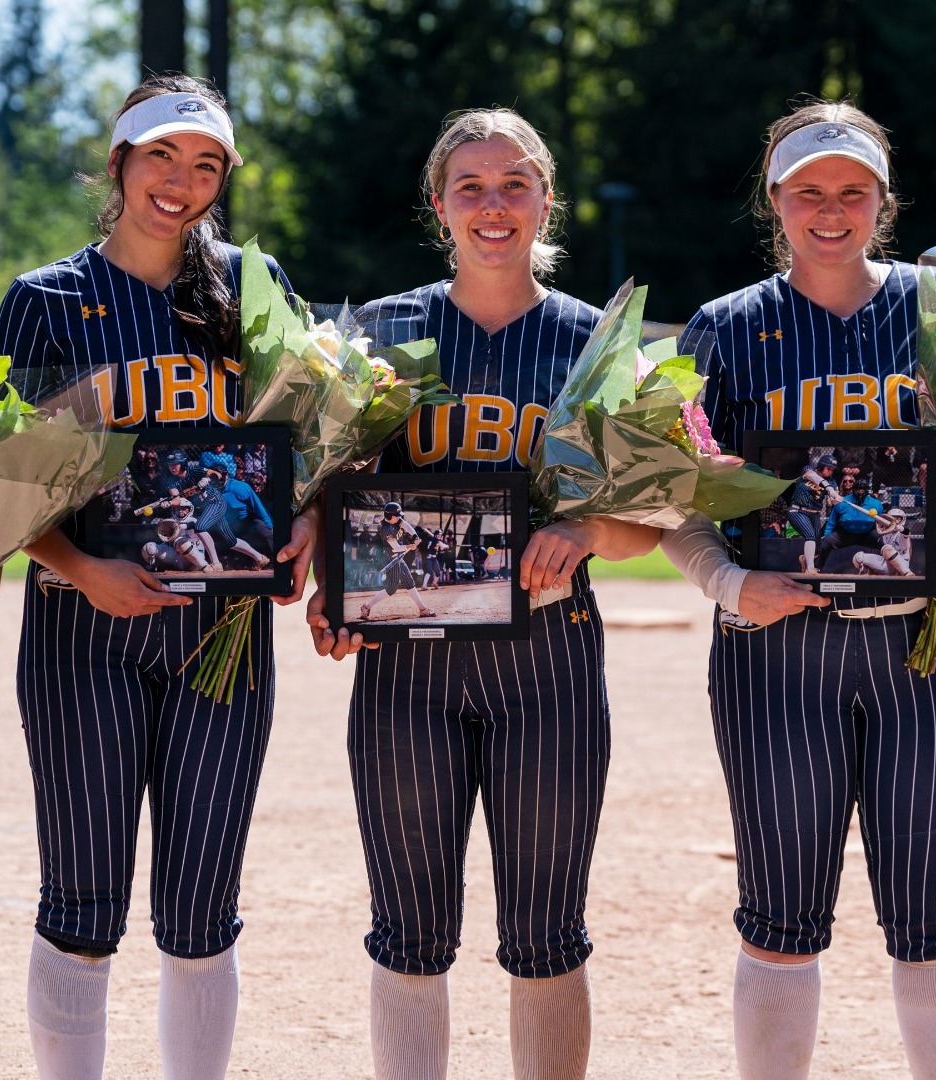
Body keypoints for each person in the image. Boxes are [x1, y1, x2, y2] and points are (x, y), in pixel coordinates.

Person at [658, 100, 936, 1080]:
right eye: (808, 192)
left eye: (853, 191)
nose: (831, 210)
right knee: (781, 916)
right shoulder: (723, 329)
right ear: (775, 201)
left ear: (884, 200)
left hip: (933, 639)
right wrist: (728, 582)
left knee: (934, 923)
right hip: (776, 651)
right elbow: (666, 493)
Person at [307, 107, 660, 1080]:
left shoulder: (593, 340)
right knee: (408, 926)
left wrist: (584, 530)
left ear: (547, 200)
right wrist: (335, 588)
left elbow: (652, 521)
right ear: (439, 204)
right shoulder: (386, 332)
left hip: (545, 665)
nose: (493, 205)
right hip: (405, 668)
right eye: (471, 186)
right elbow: (333, 491)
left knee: (547, 930)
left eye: (515, 184)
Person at [0, 74, 311, 1080]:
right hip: (87, 630)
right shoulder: (43, 303)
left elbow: (312, 449)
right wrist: (82, 567)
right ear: (120, 161)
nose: (181, 181)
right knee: (83, 903)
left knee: (203, 910)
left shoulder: (254, 296)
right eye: (161, 156)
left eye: (205, 163)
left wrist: (302, 526)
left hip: (222, 637)